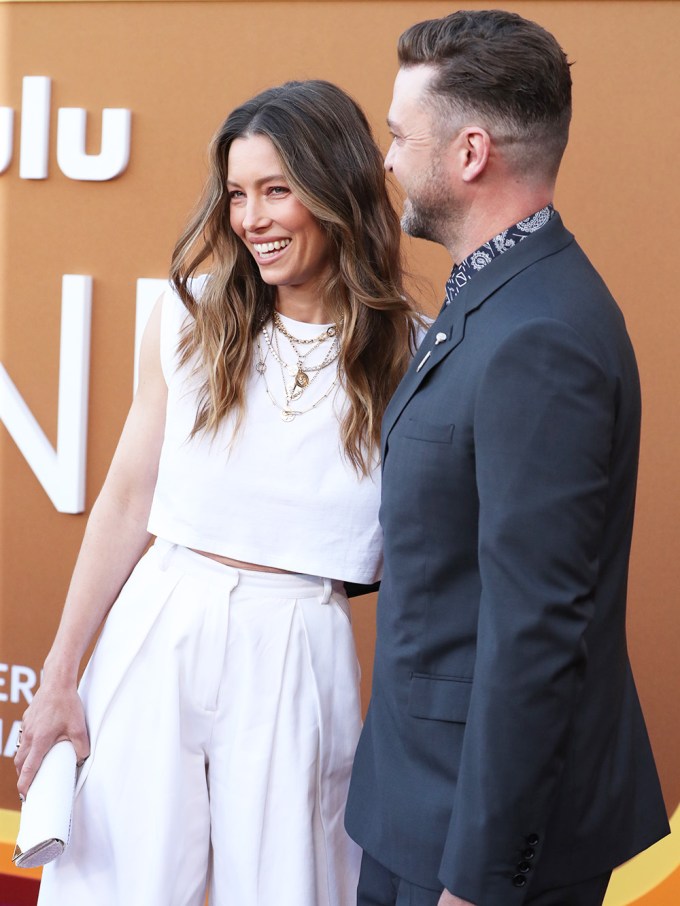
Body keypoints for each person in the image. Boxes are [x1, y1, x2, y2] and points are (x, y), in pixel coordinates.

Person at [14, 79, 421, 906]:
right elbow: (128, 498)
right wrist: (60, 675)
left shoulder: (409, 348)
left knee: (289, 891)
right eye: (238, 195)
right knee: (115, 890)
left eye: (278, 191)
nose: (252, 219)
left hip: (298, 641)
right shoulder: (191, 314)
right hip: (161, 621)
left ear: (337, 191)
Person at [345, 10, 670, 906]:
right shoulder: (494, 300)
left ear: (471, 152)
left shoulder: (542, 336)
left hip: (473, 840)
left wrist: (479, 882)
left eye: (400, 134)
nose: (387, 158)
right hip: (419, 805)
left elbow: (537, 631)